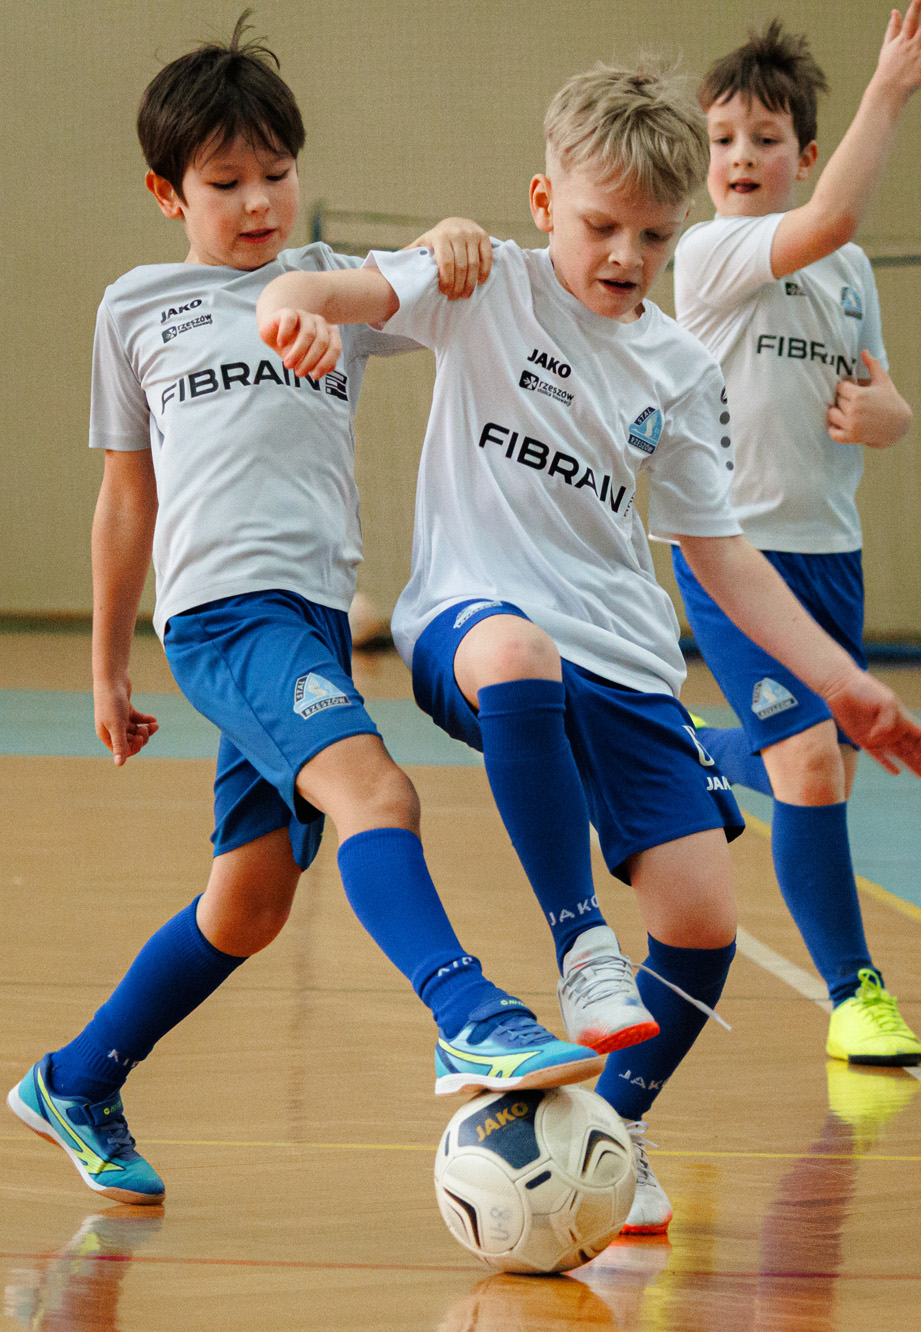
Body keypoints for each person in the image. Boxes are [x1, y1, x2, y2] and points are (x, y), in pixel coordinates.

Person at [256, 59, 921, 1232]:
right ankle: (579, 947)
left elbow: (718, 551)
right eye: (599, 226)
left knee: (702, 923)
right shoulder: (481, 280)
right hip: (471, 619)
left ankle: (612, 1136)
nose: (625, 255)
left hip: (624, 655)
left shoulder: (678, 367)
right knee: (518, 654)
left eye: (653, 236)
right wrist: (297, 307)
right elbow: (330, 287)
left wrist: (842, 683)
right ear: (542, 202)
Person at [7, 18, 610, 1208]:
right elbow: (126, 498)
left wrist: (449, 235)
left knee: (247, 906)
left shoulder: (333, 284)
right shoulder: (135, 308)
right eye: (224, 182)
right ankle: (465, 1013)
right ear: (166, 193)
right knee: (377, 791)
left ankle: (74, 1082)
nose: (257, 202)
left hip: (313, 617)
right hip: (221, 620)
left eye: (275, 174)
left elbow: (445, 283)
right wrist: (106, 667)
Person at [671, 1, 921, 1066]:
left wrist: (890, 417)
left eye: (763, 138)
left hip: (829, 553)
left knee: (819, 766)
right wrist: (889, 85)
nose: (739, 157)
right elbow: (832, 217)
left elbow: (882, 397)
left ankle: (682, 750)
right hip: (731, 551)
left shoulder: (849, 273)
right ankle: (854, 995)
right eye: (722, 140)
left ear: (803, 154)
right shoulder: (707, 252)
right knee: (806, 764)